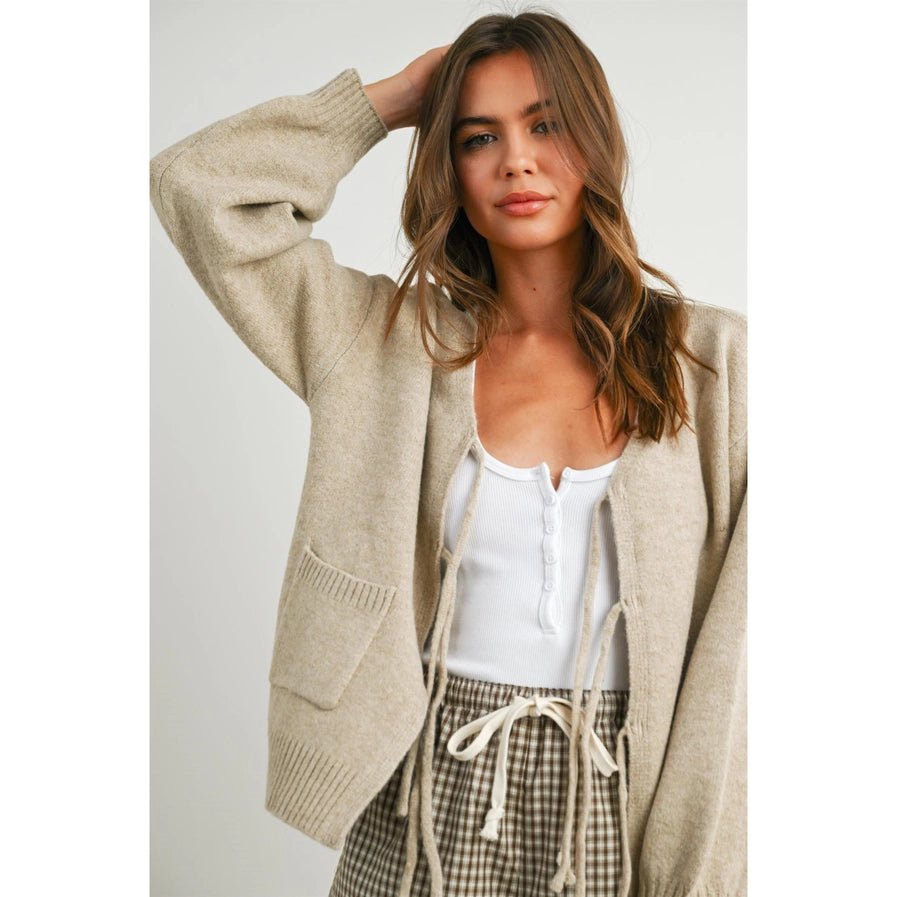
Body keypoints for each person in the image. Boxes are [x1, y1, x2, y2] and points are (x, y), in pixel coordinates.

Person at [150, 11, 745, 897]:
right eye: (478, 137)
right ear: (448, 167)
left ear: (596, 141)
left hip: (619, 799)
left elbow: (739, 647)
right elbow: (198, 189)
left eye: (545, 124)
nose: (516, 160)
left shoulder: (714, 363)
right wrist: (389, 102)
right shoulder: (384, 342)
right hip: (426, 793)